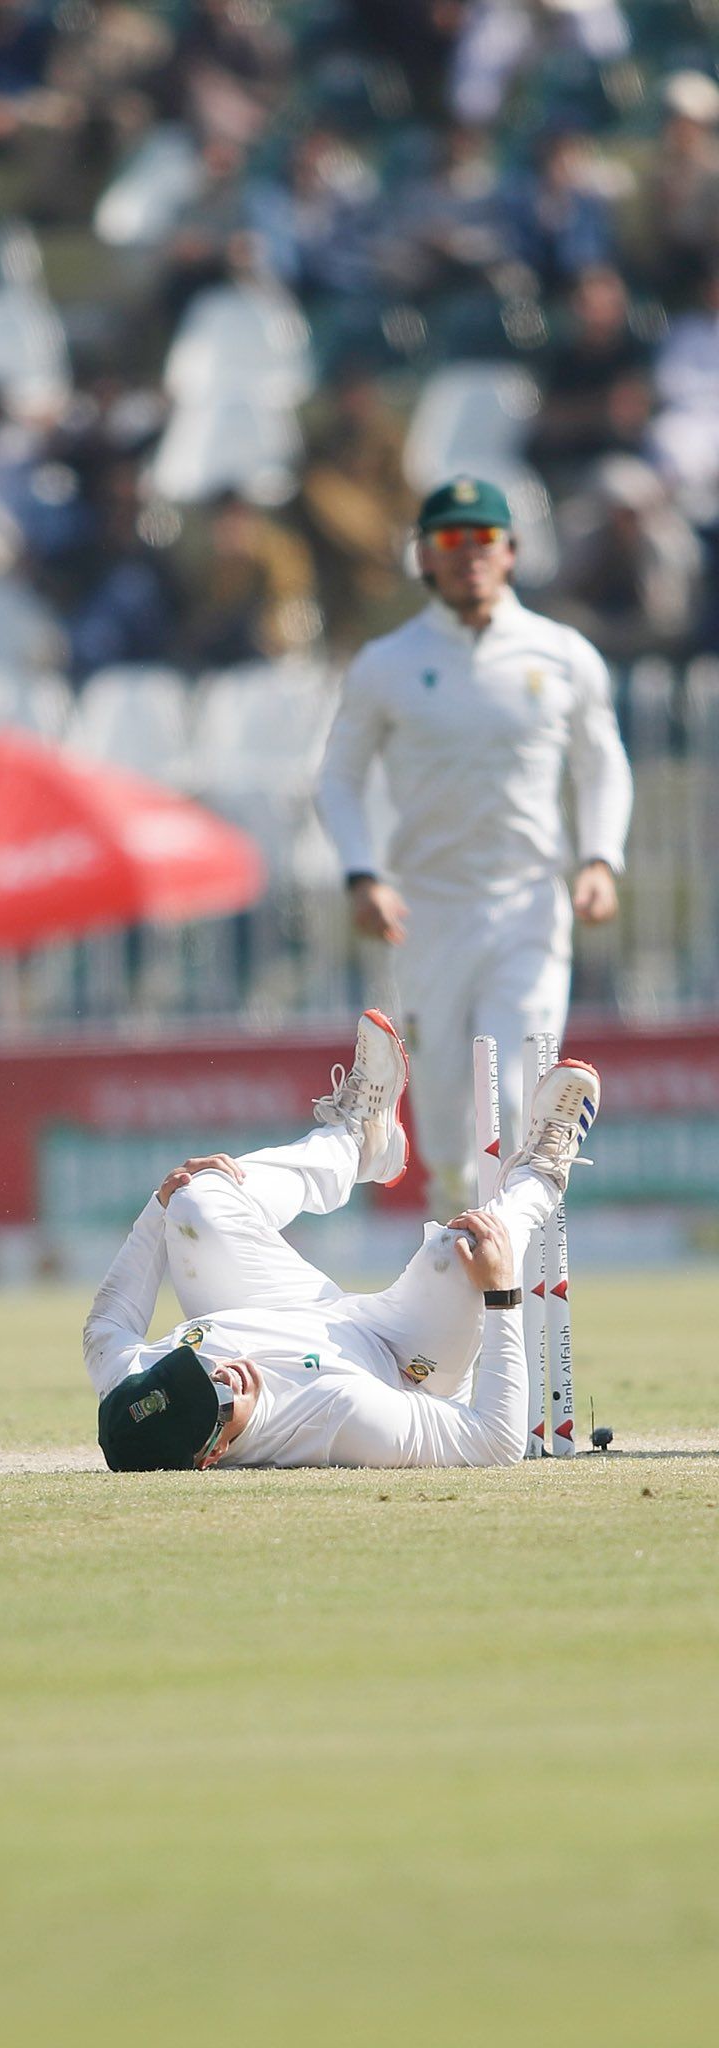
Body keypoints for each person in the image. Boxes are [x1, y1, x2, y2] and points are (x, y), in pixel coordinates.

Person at [87, 1011, 604, 1471]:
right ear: (213, 1453)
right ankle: (541, 1176)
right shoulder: (338, 1419)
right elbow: (496, 1443)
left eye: (195, 1369)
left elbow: (107, 1326)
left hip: (289, 1312)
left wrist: (158, 1209)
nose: (227, 1374)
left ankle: (360, 1138)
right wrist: (501, 1295)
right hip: (401, 1360)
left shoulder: (133, 1382)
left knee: (198, 1201)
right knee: (458, 1251)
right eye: (218, 1398)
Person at [315, 475, 632, 1215]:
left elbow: (602, 763)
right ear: (423, 556)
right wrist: (363, 874)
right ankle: (458, 1237)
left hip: (529, 903)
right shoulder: (388, 663)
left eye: (483, 538)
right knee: (450, 1119)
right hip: (427, 911)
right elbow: (337, 777)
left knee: (518, 1093)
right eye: (450, 540)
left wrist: (599, 858)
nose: (469, 554)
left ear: (512, 552)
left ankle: (510, 1287)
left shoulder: (561, 654)